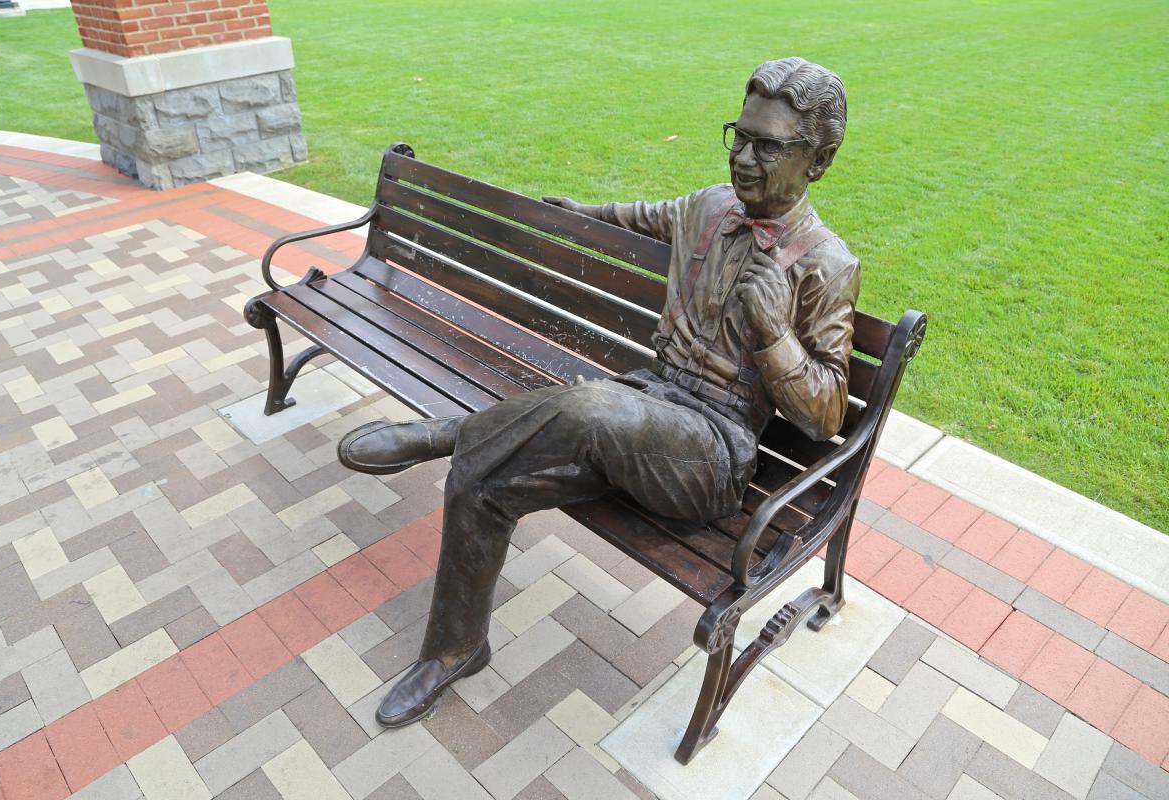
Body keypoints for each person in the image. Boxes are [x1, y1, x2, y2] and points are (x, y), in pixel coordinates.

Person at [337, 56, 861, 727]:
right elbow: (643, 215)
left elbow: (826, 417)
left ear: (818, 161)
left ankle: (448, 432)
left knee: (591, 403)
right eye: (740, 136)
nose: (743, 158)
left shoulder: (826, 265)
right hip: (641, 412)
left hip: (712, 457)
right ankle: (454, 648)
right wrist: (581, 213)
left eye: (768, 147)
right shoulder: (710, 207)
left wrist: (775, 335)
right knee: (485, 479)